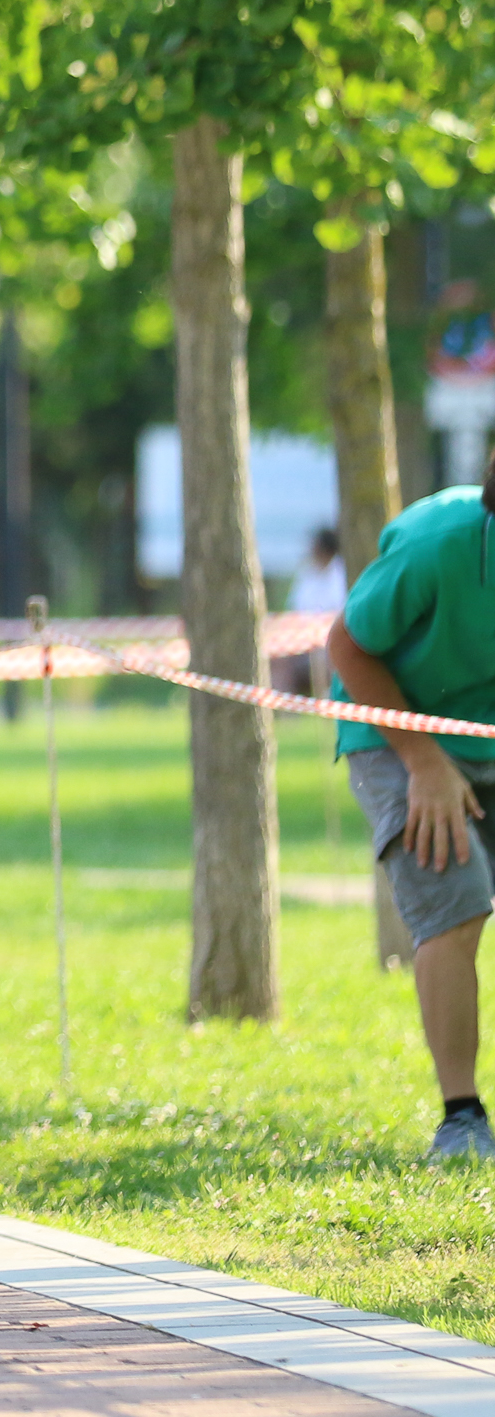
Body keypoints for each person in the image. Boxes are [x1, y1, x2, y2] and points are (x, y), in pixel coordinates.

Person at [325, 471, 495, 1162]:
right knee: (457, 905)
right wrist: (424, 761)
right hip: (396, 729)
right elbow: (347, 646)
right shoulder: (436, 544)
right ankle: (462, 1120)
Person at [282, 525, 347, 697]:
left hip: (331, 639)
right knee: (279, 658)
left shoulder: (341, 574)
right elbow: (295, 607)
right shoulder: (307, 574)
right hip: (303, 639)